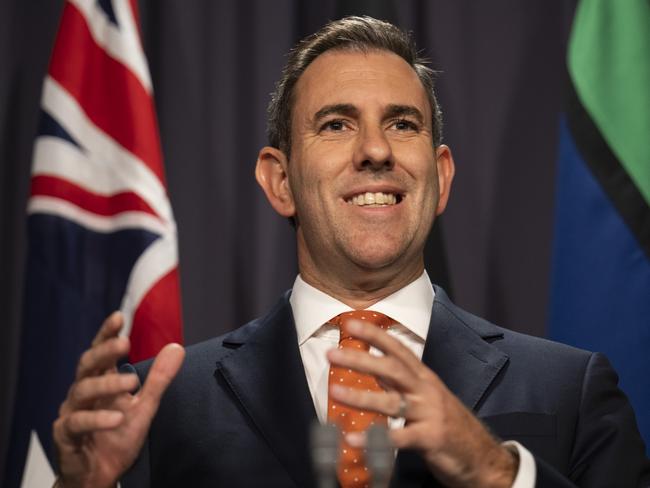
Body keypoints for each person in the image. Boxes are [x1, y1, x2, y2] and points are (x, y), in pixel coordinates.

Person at [52, 16, 650, 488]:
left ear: (440, 178)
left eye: (403, 124)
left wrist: (496, 473)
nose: (374, 151)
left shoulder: (569, 389)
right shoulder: (161, 409)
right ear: (279, 181)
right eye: (336, 125)